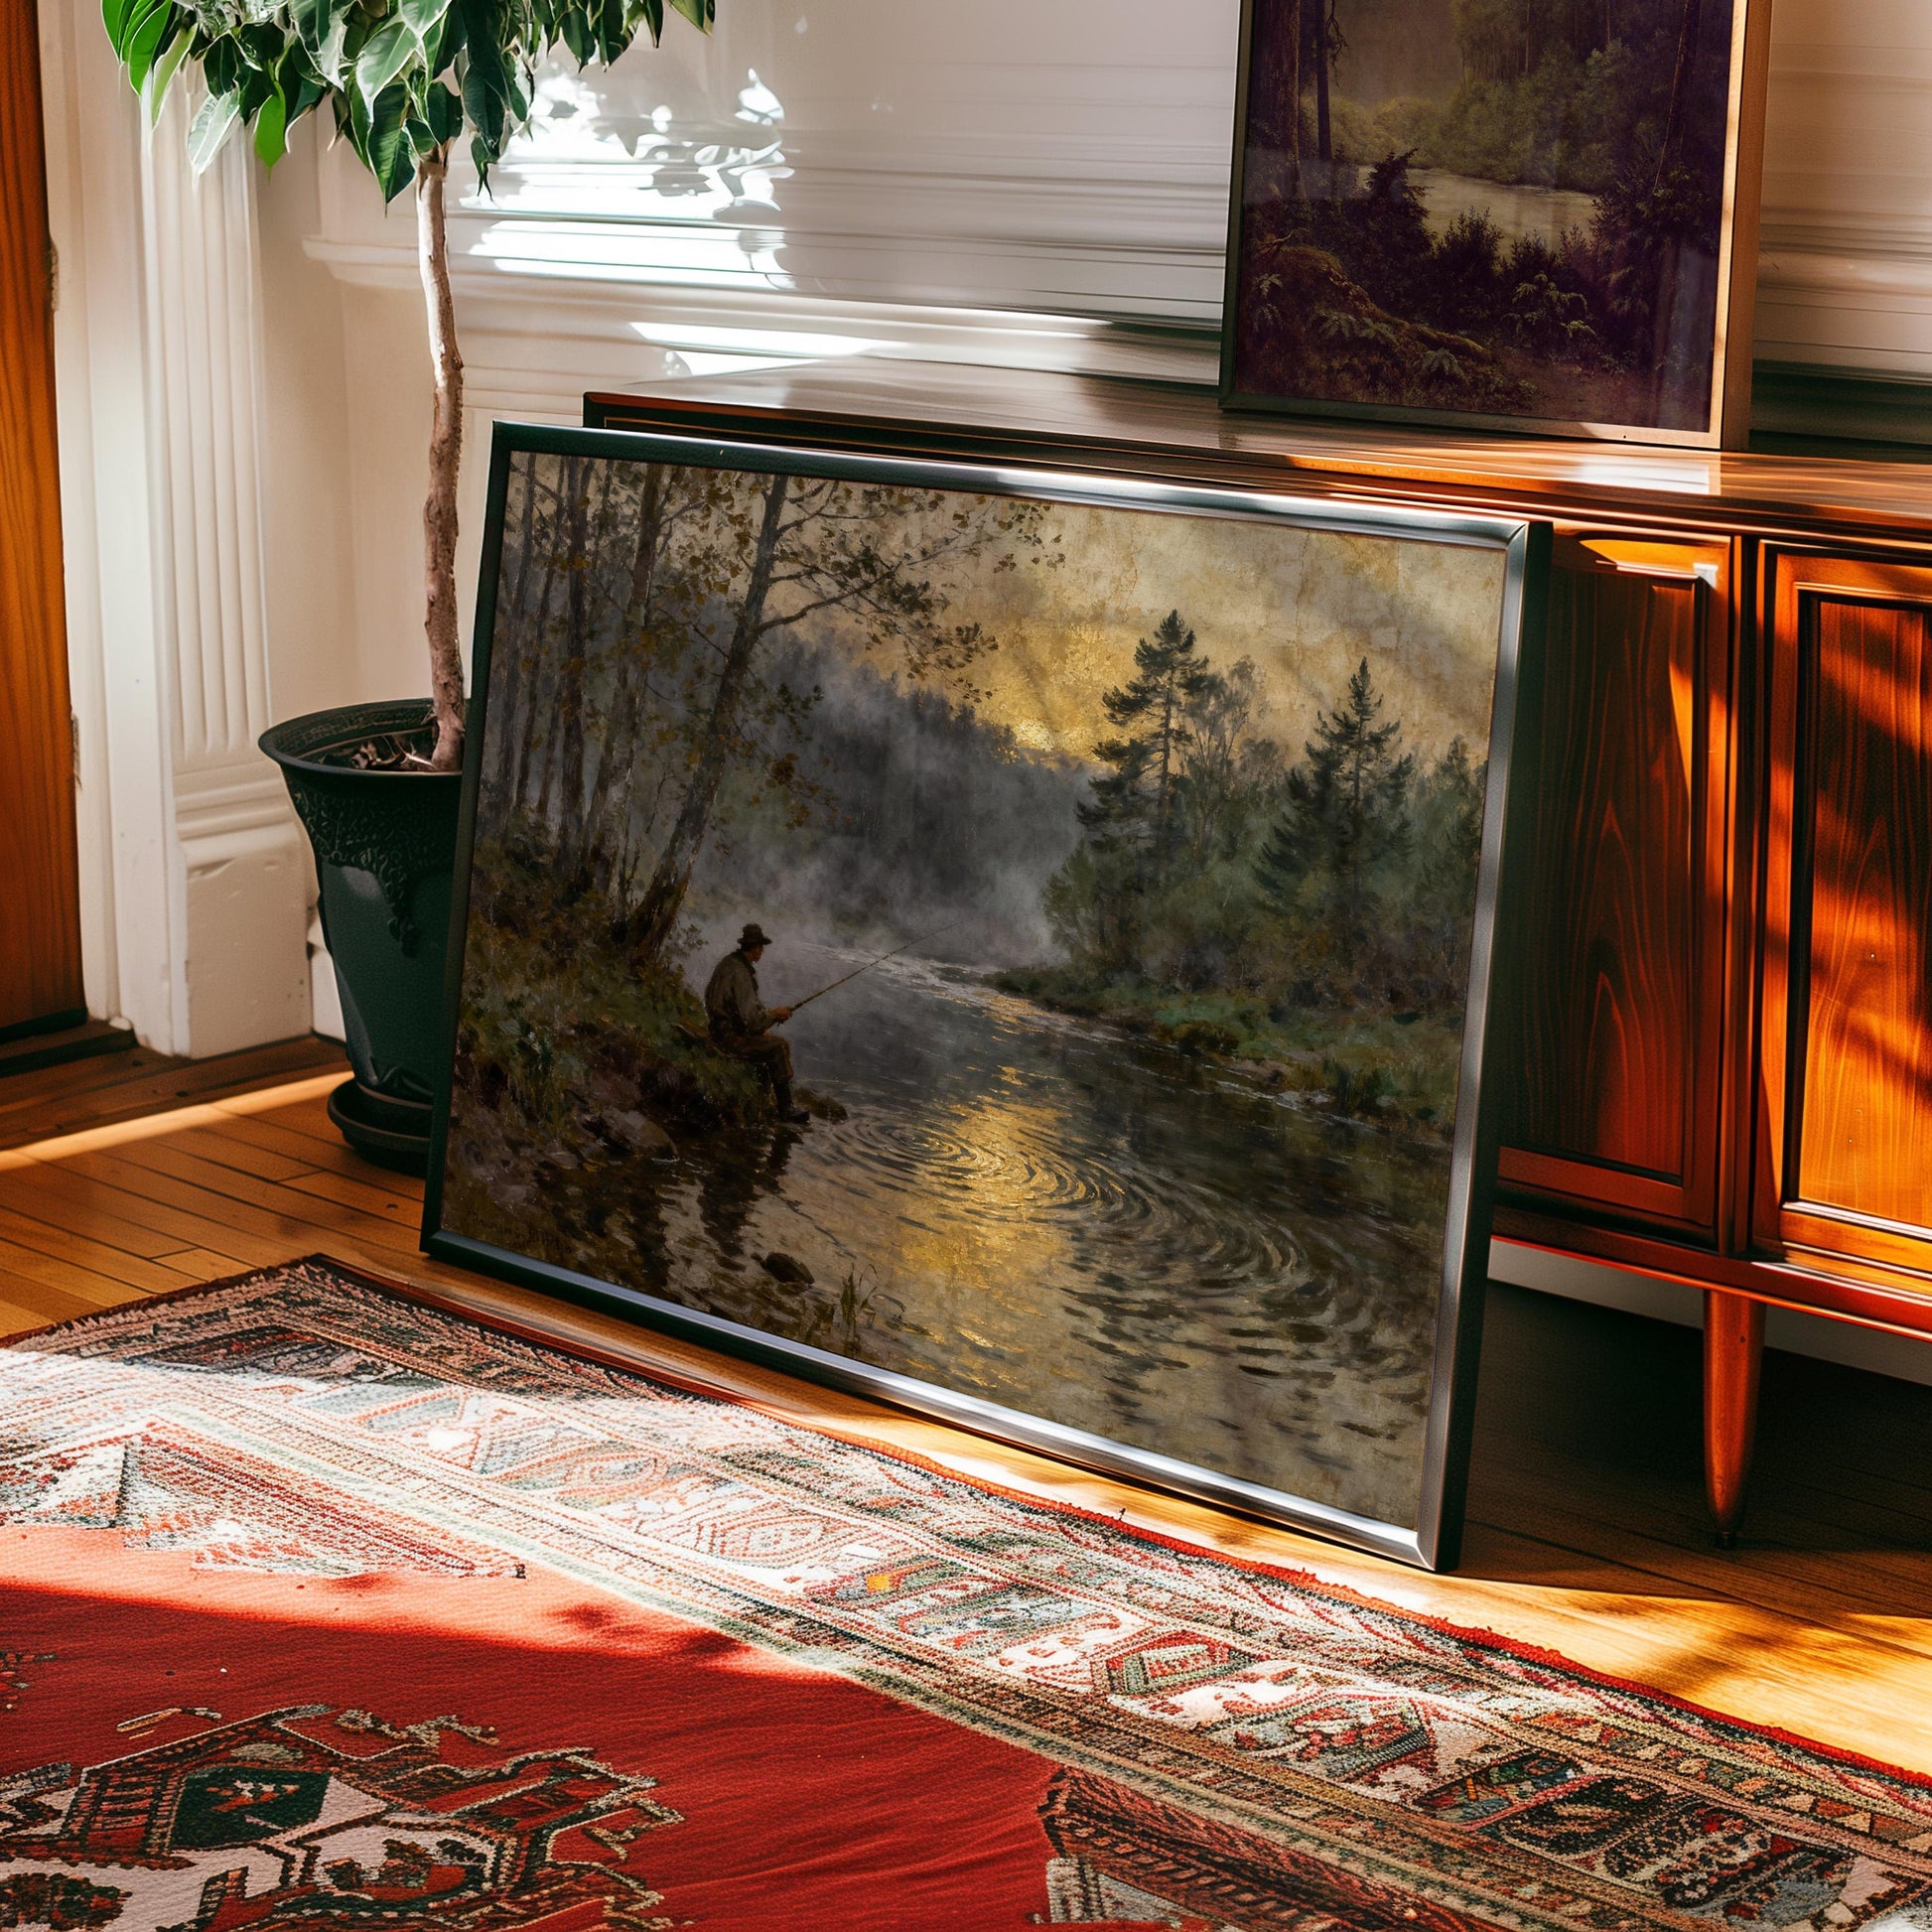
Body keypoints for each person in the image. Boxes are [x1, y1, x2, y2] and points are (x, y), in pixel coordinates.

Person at [704, 923, 809, 1124]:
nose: (762, 951)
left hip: (721, 1030)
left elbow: (749, 1008)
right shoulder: (740, 973)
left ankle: (771, 1100)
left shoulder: (731, 963)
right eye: (761, 947)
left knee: (777, 1043)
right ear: (754, 948)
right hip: (729, 1038)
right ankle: (786, 1110)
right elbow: (751, 1019)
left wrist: (769, 1016)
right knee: (779, 1046)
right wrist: (775, 1015)